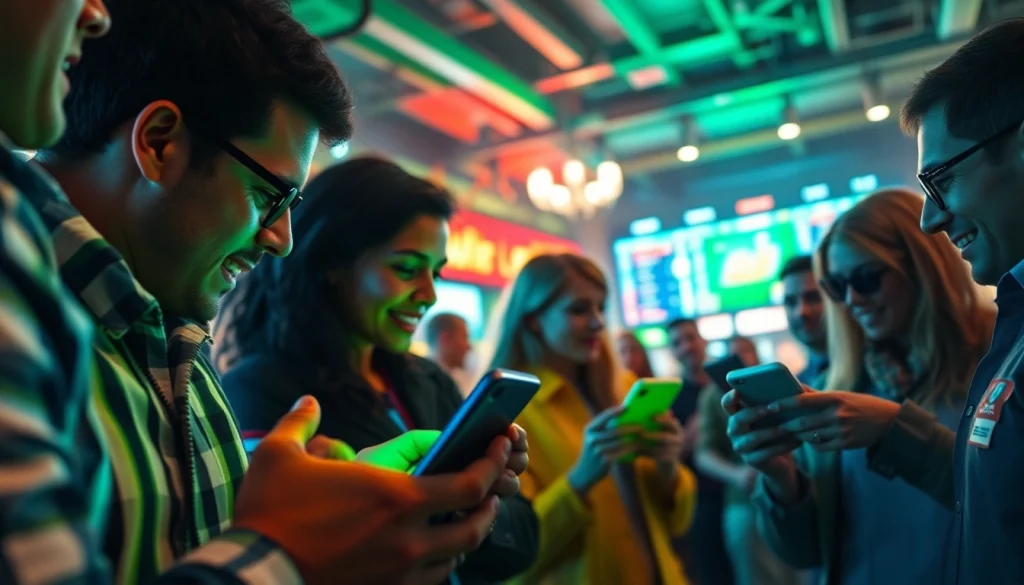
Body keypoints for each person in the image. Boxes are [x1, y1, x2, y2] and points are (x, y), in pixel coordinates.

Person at [29, 1, 516, 583]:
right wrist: (293, 554)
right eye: (269, 197)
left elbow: (196, 544)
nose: (281, 240)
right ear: (159, 143)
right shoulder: (26, 317)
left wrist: (341, 511)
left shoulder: (166, 334)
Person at [213, 157, 539, 585]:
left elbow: (525, 535)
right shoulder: (261, 390)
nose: (428, 294)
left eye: (436, 272)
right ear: (332, 262)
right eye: (406, 269)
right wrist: (451, 504)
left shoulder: (427, 378)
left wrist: (472, 502)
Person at [722, 189, 995, 584]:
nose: (852, 300)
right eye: (836, 286)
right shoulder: (840, 384)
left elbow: (1004, 499)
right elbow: (806, 552)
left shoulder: (998, 356)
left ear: (921, 266)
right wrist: (782, 480)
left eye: (866, 279)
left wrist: (894, 430)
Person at [484, 253, 698, 585]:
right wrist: (580, 480)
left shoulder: (621, 387)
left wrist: (668, 465)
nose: (599, 321)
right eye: (580, 309)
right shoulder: (507, 412)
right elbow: (509, 554)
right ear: (533, 320)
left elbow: (678, 523)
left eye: (601, 307)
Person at [696, 338, 802, 585]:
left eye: (746, 353)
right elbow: (704, 453)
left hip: (792, 495)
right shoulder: (712, 395)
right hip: (744, 500)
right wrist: (737, 474)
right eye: (734, 356)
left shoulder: (776, 385)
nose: (742, 360)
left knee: (798, 574)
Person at [667, 318, 735, 585]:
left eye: (690, 338)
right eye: (677, 343)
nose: (686, 347)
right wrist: (692, 433)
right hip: (701, 498)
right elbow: (671, 453)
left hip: (742, 492)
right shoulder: (674, 396)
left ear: (702, 340)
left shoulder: (727, 381)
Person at [778, 256, 829, 385]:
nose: (801, 312)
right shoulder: (798, 385)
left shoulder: (878, 371)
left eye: (813, 298)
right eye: (790, 302)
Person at [425, 312, 477, 396]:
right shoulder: (424, 386)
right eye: (465, 338)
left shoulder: (457, 381)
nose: (469, 347)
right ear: (445, 338)